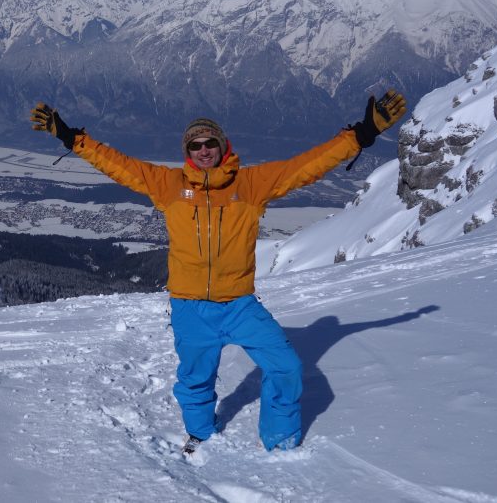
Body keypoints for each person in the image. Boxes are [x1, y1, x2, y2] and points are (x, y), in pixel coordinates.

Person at [30, 91, 407, 453]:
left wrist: (360, 135)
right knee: (195, 379)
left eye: (210, 142)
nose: (204, 150)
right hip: (190, 307)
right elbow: (117, 164)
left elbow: (307, 166)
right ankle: (200, 434)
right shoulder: (168, 186)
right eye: (195, 145)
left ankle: (282, 443)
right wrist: (69, 136)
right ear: (187, 152)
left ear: (223, 145)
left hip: (240, 304)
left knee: (287, 366)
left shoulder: (251, 185)